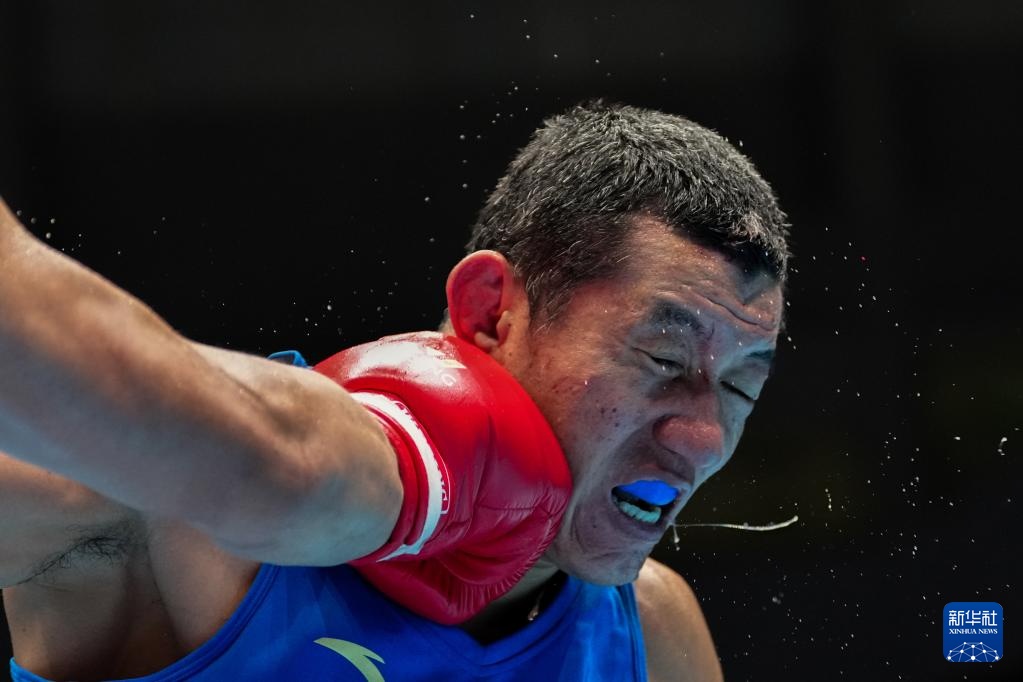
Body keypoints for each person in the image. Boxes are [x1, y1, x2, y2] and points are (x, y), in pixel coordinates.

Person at [0, 101, 789, 681]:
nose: (703, 438)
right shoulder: (169, 523)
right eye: (661, 358)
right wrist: (320, 478)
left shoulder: (651, 636)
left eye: (738, 388)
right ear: (490, 311)